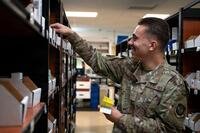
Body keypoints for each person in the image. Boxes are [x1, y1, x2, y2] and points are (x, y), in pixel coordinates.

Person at [51, 17, 188, 133]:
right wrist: (72, 36)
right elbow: (99, 61)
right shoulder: (129, 67)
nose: (129, 42)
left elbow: (168, 129)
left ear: (152, 45)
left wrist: (119, 118)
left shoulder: (173, 83)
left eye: (134, 38)